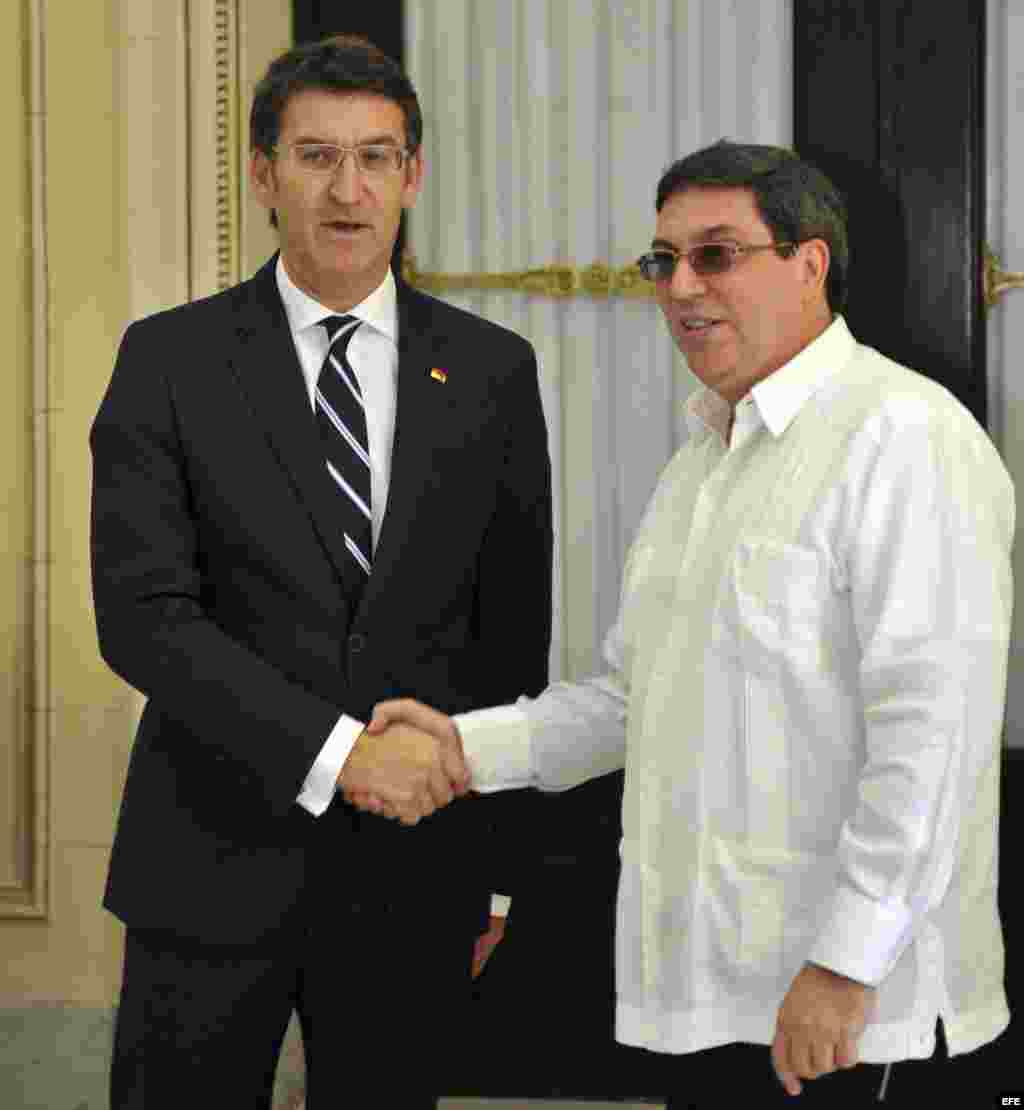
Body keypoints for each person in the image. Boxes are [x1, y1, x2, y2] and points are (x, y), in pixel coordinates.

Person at [358, 141, 1014, 1106]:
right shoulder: (702, 463)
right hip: (715, 1005)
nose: (680, 287)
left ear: (810, 262)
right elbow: (633, 698)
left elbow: (933, 741)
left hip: (861, 1020)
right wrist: (462, 745)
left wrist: (844, 964)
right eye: (663, 260)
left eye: (717, 254)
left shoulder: (905, 438)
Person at [90, 33, 552, 1109]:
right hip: (205, 869)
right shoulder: (169, 360)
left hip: (413, 875)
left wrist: (492, 866)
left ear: (412, 176)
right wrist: (340, 753)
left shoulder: (491, 371)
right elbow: (144, 618)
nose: (348, 191)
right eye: (314, 156)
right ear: (262, 174)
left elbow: (509, 633)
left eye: (377, 157)